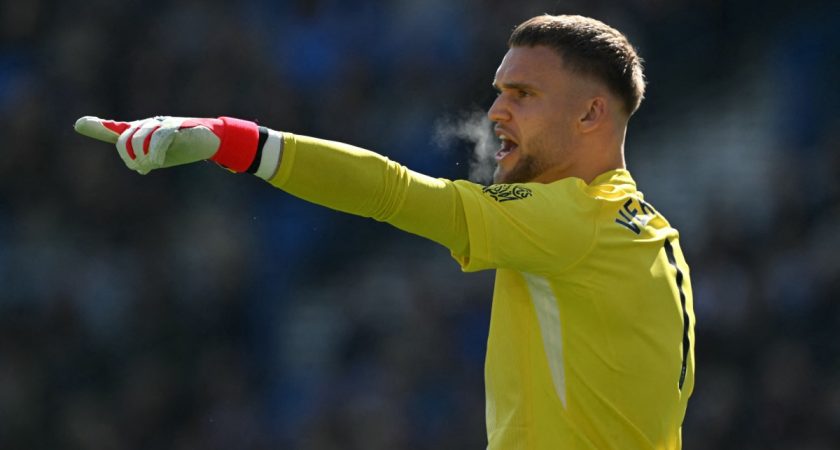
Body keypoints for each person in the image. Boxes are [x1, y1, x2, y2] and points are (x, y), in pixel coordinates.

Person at [76, 14, 695, 450]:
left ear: (591, 113)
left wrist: (229, 139)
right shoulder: (650, 232)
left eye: (524, 94)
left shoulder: (570, 218)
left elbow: (390, 191)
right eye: (499, 92)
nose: (496, 111)